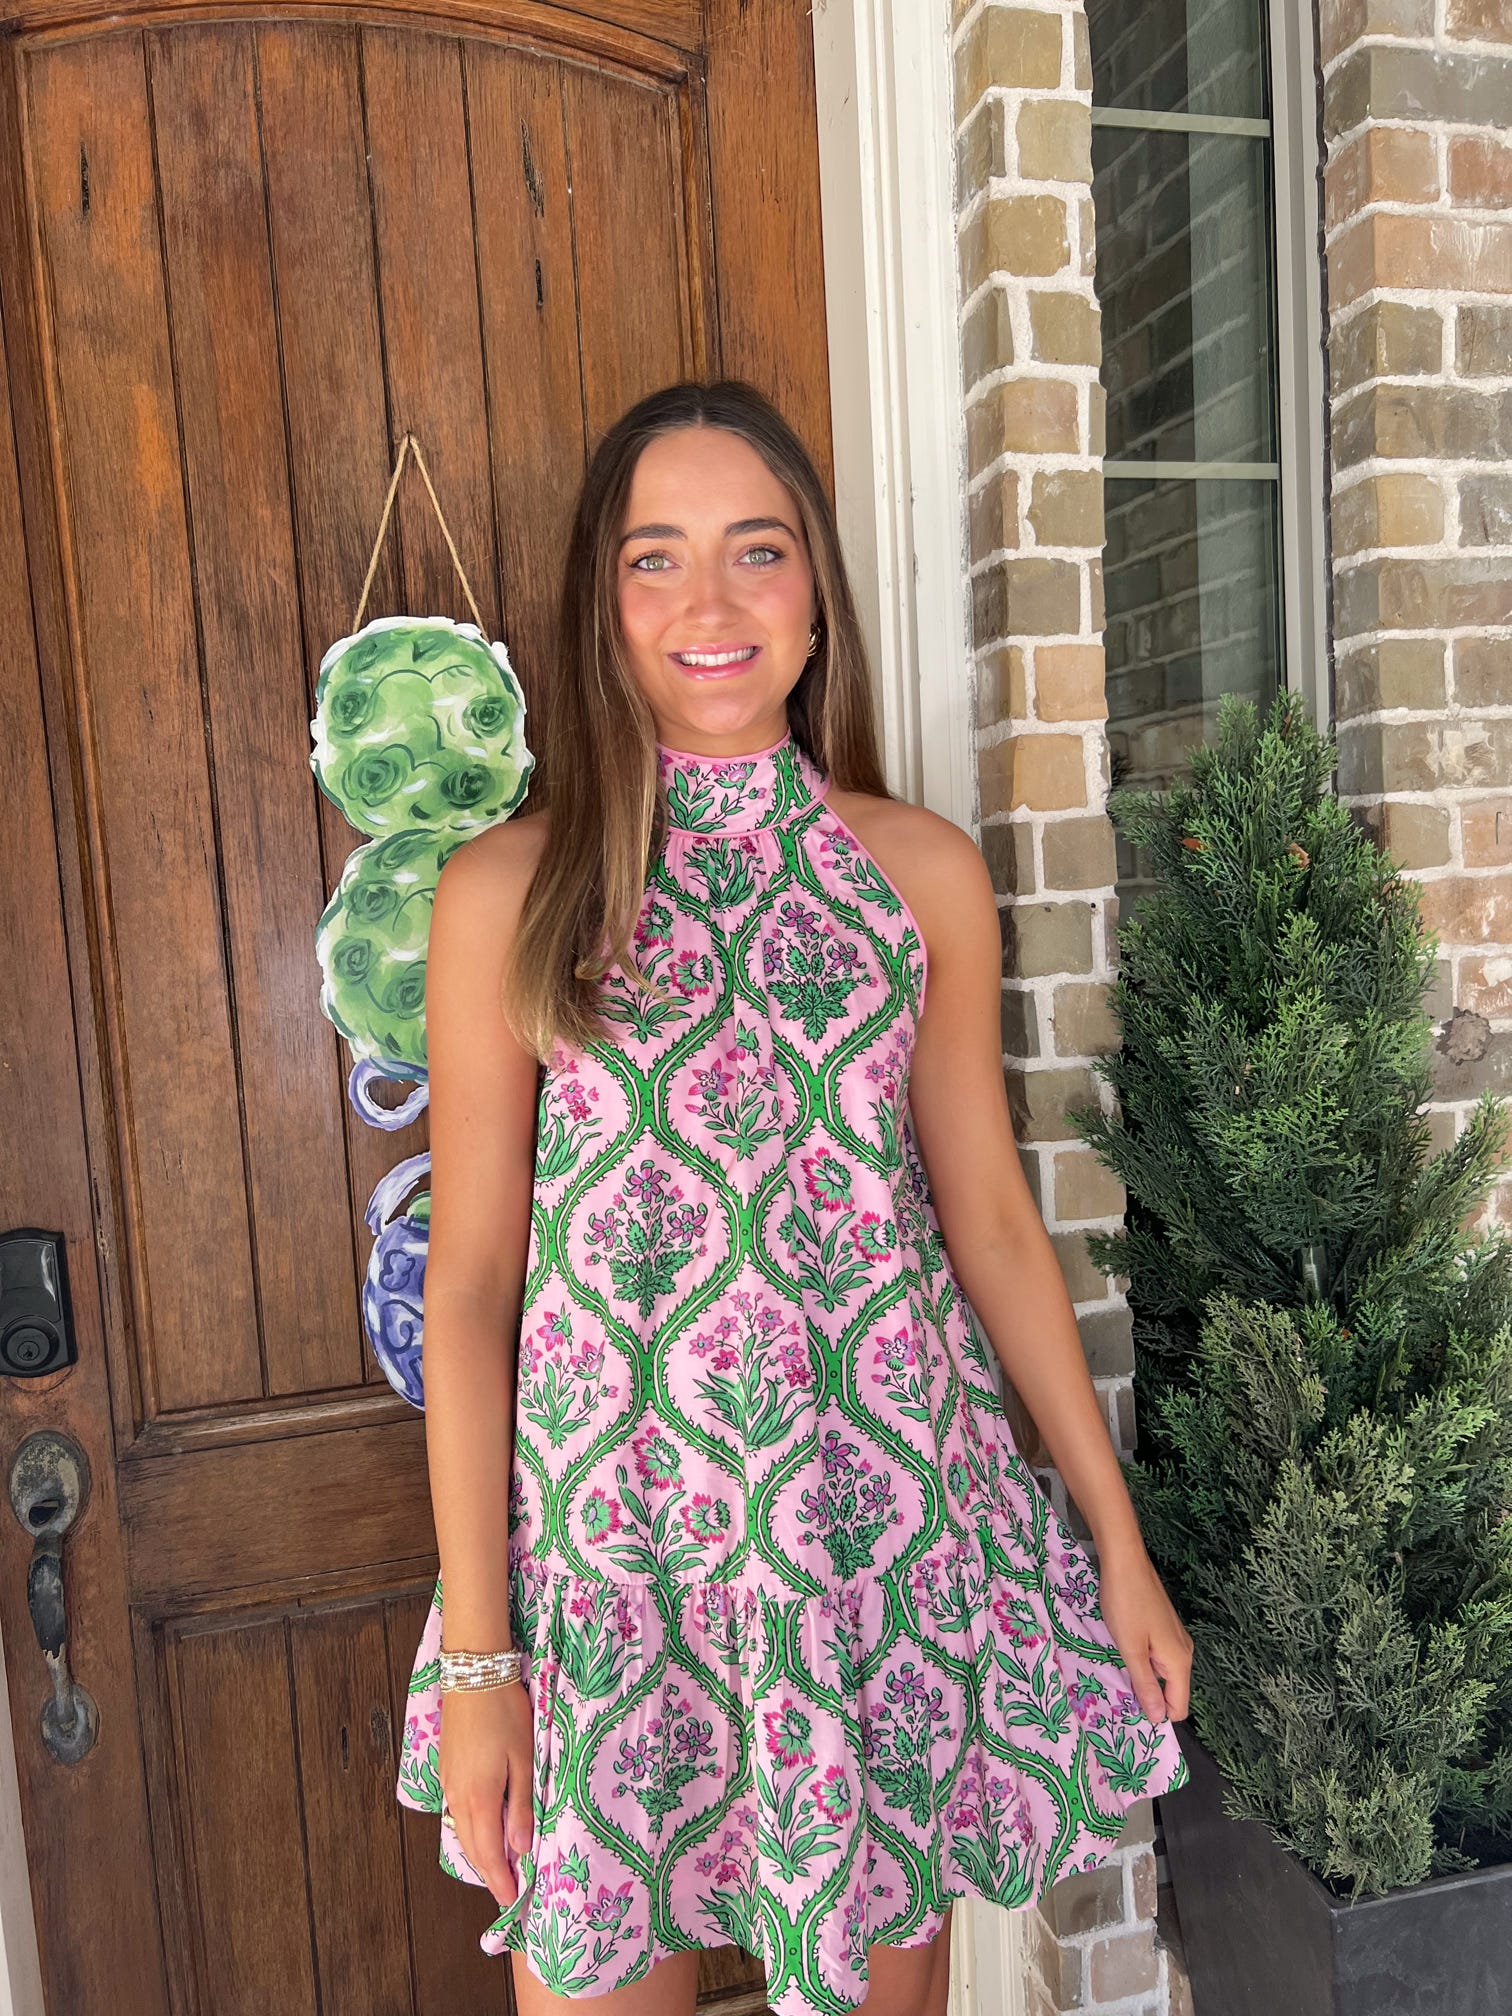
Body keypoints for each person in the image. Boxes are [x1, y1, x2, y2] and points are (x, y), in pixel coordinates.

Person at [396, 378, 1193, 2016]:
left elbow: (984, 1222)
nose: (710, 604)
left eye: (756, 552)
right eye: (655, 559)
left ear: (817, 590)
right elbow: (470, 1287)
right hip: (614, 1560)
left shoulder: (920, 872)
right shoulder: (507, 891)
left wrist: (1117, 1542)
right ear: (600, 603)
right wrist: (484, 1661)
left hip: (882, 1536)